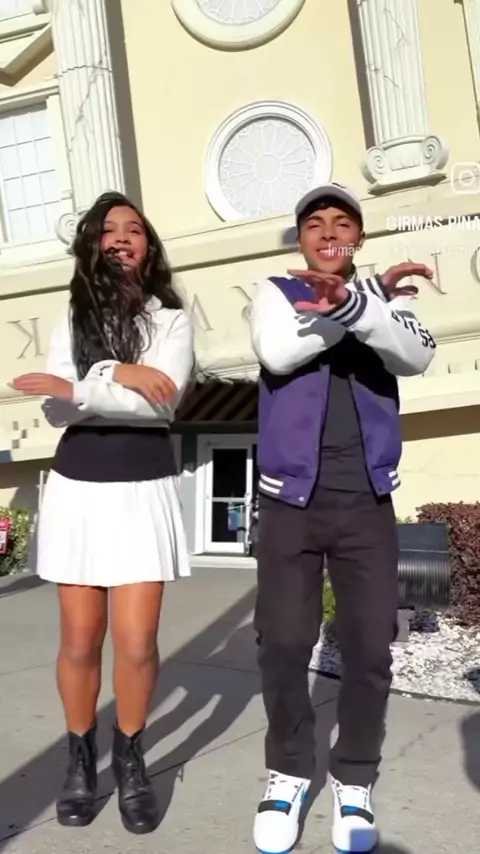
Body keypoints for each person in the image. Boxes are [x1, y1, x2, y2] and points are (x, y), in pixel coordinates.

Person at [248, 183, 436, 854]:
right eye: (315, 223)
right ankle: (289, 772)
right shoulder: (275, 292)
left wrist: (364, 304)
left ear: (358, 236)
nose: (328, 231)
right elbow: (279, 352)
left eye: (342, 222)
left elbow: (416, 354)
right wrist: (353, 308)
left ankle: (353, 778)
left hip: (366, 503)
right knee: (283, 642)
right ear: (301, 239)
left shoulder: (388, 302)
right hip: (290, 503)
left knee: (369, 647)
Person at [12, 192, 194, 835]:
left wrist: (96, 379)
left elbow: (160, 405)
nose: (121, 238)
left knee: (137, 644)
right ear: (92, 244)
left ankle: (132, 759)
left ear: (148, 246)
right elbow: (55, 409)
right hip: (78, 487)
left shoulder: (171, 319)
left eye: (133, 230)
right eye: (108, 230)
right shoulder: (72, 316)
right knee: (80, 642)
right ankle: (80, 760)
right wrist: (120, 377)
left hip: (143, 487)